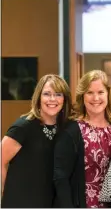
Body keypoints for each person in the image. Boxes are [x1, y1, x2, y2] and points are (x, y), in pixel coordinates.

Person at [1, 74, 72, 207]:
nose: (52, 99)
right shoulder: (23, 126)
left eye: (58, 94)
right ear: (38, 97)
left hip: (50, 202)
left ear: (65, 99)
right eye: (46, 94)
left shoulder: (66, 128)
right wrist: (6, 192)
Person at [53, 70, 111, 208]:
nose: (95, 98)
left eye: (100, 92)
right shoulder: (71, 131)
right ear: (82, 97)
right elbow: (60, 178)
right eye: (90, 93)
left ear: (108, 94)